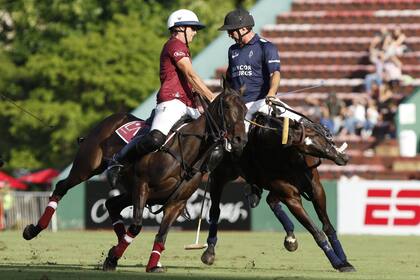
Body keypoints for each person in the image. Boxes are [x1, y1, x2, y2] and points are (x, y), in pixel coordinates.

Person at [107, 9, 215, 187]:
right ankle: (118, 160)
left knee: (210, 138)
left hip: (188, 105)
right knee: (155, 139)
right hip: (171, 103)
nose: (195, 32)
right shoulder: (175, 45)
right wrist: (211, 97)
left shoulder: (184, 48)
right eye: (193, 28)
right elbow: (191, 75)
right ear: (180, 28)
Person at [218, 8, 301, 207]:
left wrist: (272, 93)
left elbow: (275, 74)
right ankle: (253, 182)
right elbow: (230, 80)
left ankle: (329, 146)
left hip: (263, 100)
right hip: (241, 107)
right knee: (235, 145)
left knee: (297, 121)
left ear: (244, 28)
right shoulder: (233, 50)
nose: (229, 34)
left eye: (232, 30)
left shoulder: (266, 47)